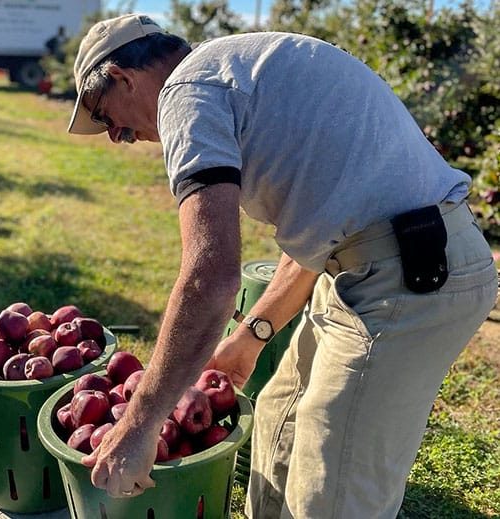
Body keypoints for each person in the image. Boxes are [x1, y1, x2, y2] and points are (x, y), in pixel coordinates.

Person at [67, 13, 498, 518]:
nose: (116, 135)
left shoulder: (186, 90)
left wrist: (139, 426)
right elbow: (325, 224)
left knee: (331, 492)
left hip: (407, 277)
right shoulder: (237, 68)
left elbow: (210, 275)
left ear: (123, 76)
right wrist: (250, 336)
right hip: (370, 265)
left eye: (104, 115)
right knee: (280, 422)